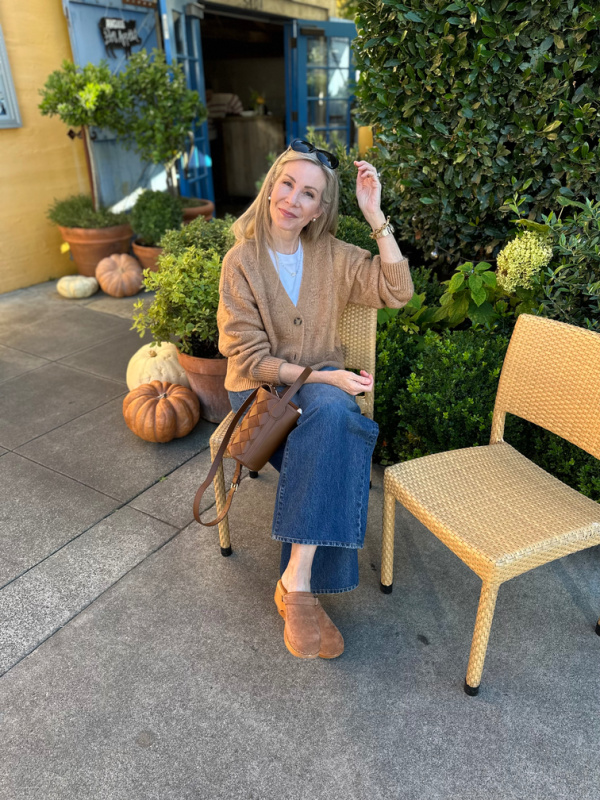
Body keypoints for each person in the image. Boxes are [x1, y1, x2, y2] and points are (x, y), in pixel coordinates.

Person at [217, 138, 413, 660]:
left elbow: (398, 291)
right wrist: (324, 378)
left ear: (320, 208)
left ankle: (297, 581)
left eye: (309, 194)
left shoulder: (333, 256)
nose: (293, 200)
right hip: (260, 397)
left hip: (318, 398)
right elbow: (248, 356)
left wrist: (376, 218)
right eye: (287, 184)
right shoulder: (242, 261)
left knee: (330, 422)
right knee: (336, 423)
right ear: (271, 186)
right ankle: (301, 588)